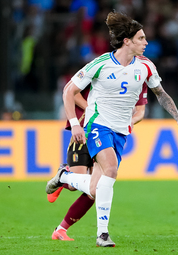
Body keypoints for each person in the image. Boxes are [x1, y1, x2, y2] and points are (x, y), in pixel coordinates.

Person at [46, 11, 178, 247]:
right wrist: (75, 123)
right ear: (127, 41)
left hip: (120, 131)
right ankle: (102, 234)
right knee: (111, 170)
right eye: (141, 38)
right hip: (97, 124)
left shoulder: (146, 66)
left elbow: (161, 94)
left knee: (97, 188)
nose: (146, 43)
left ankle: (64, 176)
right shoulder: (101, 64)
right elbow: (69, 90)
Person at [49, 83, 148, 241]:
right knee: (77, 187)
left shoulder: (139, 78)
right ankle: (65, 177)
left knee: (95, 191)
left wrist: (130, 121)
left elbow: (140, 112)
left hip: (110, 136)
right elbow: (72, 93)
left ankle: (61, 229)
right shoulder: (102, 70)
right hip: (84, 132)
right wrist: (94, 111)